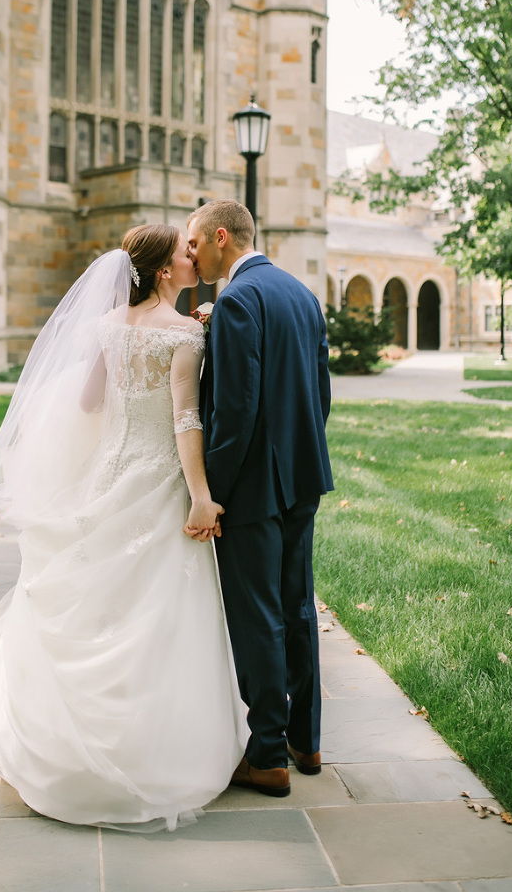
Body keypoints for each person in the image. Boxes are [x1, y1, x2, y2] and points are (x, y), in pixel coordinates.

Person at [0, 224, 247, 831]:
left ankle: (68, 753)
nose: (194, 256)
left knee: (99, 602)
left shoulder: (105, 325)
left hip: (108, 475)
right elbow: (186, 420)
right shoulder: (184, 333)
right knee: (156, 608)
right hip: (159, 481)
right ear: (165, 271)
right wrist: (201, 496)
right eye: (185, 252)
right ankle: (151, 755)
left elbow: (89, 402)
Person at [185, 200, 333, 798]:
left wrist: (212, 492)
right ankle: (306, 740)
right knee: (297, 607)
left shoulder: (238, 301)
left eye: (196, 241)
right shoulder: (303, 295)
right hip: (302, 476)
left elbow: (235, 410)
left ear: (221, 237)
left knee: (258, 617)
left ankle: (267, 755)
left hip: (252, 488)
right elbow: (320, 393)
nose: (192, 253)